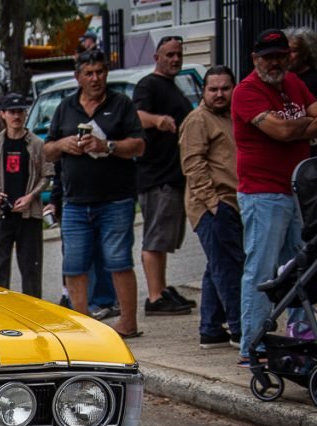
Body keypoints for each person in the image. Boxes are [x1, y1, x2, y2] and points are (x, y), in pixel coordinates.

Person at [44, 48, 146, 339]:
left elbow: (139, 146)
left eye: (100, 72)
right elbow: (47, 150)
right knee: (74, 264)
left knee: (119, 261)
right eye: (88, 73)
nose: (95, 78)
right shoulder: (65, 108)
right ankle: (83, 327)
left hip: (115, 199)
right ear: (78, 77)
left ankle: (128, 323)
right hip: (75, 201)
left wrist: (107, 146)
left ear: (106, 73)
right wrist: (63, 144)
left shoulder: (121, 104)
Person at [232, 29, 317, 366]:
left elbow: (291, 124)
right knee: (261, 270)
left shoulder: (293, 82)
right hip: (262, 193)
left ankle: (300, 335)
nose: (275, 62)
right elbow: (279, 131)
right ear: (255, 59)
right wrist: (304, 124)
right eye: (268, 57)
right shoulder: (246, 91)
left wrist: (295, 125)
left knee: (301, 268)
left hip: (296, 193)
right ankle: (252, 345)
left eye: (281, 56)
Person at [179, 65, 244, 351]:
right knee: (229, 269)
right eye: (213, 89)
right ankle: (241, 330)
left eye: (225, 88)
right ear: (203, 91)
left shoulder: (232, 116)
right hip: (212, 205)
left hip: (232, 201)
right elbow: (193, 164)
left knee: (216, 265)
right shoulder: (197, 120)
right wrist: (214, 205)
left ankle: (211, 329)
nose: (219, 94)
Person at [134, 35, 195, 315]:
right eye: (169, 54)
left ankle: (162, 288)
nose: (175, 59)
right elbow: (136, 115)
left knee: (164, 238)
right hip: (157, 175)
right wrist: (157, 120)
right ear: (156, 57)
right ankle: (155, 297)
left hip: (173, 174)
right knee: (155, 238)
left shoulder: (173, 86)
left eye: (178, 54)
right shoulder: (148, 85)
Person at [0, 93, 53, 298]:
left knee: (31, 267)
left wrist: (30, 197)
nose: (16, 116)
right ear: (2, 114)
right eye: (11, 112)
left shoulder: (36, 143)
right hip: (2, 211)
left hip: (29, 213)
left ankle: (32, 307)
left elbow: (46, 176)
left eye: (20, 111)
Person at [287, 27, 317, 96]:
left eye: (293, 50)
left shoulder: (314, 82)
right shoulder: (281, 77)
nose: (287, 55)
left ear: (306, 53)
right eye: (285, 50)